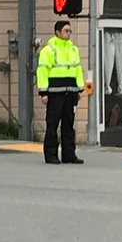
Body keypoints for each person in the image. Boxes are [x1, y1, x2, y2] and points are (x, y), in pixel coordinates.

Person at [36, 19, 86, 164]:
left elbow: (77, 70)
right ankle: (51, 155)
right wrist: (44, 93)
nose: (69, 33)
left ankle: (69, 154)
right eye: (66, 30)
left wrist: (79, 89)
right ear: (57, 32)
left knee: (69, 125)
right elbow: (42, 71)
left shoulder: (73, 49)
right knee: (52, 124)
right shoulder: (49, 50)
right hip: (54, 93)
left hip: (70, 92)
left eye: (70, 31)